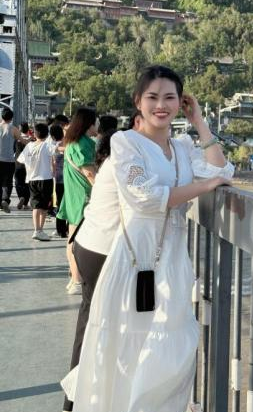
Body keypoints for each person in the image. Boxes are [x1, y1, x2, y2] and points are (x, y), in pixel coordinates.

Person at [61, 65, 234, 412]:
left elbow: (220, 169)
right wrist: (205, 186)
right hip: (128, 257)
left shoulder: (182, 146)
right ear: (138, 101)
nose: (161, 105)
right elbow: (145, 196)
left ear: (181, 102)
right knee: (123, 344)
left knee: (168, 349)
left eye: (170, 97)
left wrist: (199, 121)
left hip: (169, 259)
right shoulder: (125, 143)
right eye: (152, 97)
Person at [62, 118, 137, 412]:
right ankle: (83, 399)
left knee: (89, 324)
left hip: (90, 243)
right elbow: (154, 199)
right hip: (101, 249)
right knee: (99, 326)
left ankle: (76, 401)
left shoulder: (106, 163)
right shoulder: (123, 165)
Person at [57, 107, 97, 295]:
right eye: (96, 121)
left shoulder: (73, 142)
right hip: (84, 197)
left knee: (73, 237)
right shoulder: (82, 144)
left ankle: (74, 278)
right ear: (89, 123)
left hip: (74, 196)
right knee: (76, 241)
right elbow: (90, 174)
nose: (97, 124)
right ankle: (77, 280)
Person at [17, 123, 56, 241]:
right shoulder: (47, 145)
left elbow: (21, 159)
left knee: (36, 206)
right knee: (44, 207)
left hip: (32, 180)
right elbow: (57, 151)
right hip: (45, 179)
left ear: (34, 134)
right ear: (47, 134)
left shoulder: (29, 146)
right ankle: (40, 231)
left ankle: (36, 230)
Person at [0, 108, 21, 213]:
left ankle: (0, 203)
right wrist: (31, 140)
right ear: (11, 118)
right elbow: (22, 140)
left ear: (2, 116)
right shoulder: (13, 129)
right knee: (8, 182)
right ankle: (5, 199)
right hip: (9, 161)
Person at [49, 124, 68, 238]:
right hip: (69, 179)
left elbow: (53, 164)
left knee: (60, 204)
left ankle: (60, 230)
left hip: (58, 180)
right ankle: (68, 227)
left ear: (52, 136)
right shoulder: (68, 144)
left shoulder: (53, 146)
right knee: (69, 203)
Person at [14, 122, 32, 210]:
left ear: (20, 129)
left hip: (18, 164)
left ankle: (21, 196)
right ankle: (25, 203)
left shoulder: (17, 140)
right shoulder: (31, 140)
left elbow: (14, 151)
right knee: (27, 184)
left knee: (18, 182)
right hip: (29, 165)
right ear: (28, 129)